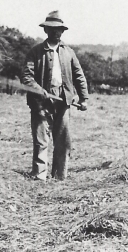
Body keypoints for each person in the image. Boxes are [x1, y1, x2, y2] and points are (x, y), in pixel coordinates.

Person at [21, 11, 88, 181]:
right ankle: (39, 175)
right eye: (52, 29)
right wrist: (39, 90)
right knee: (41, 139)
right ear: (46, 31)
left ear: (62, 31)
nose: (56, 33)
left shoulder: (69, 52)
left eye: (59, 30)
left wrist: (83, 98)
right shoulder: (35, 52)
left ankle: (60, 175)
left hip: (63, 100)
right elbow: (27, 76)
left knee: (62, 140)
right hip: (40, 102)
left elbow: (79, 75)